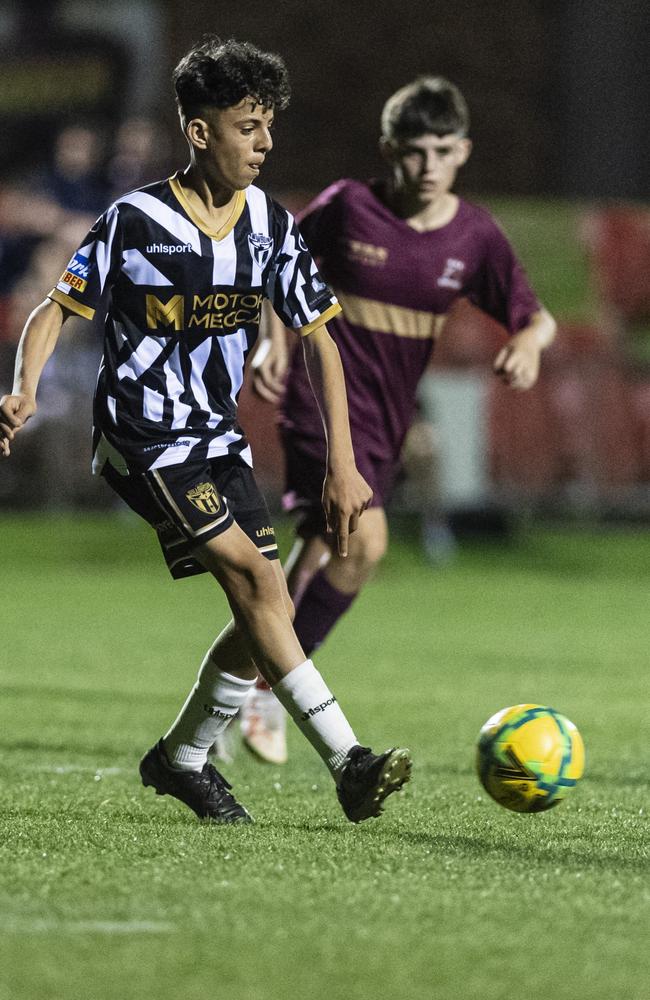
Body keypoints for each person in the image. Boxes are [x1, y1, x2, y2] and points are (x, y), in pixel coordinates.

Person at [0, 37, 413, 824]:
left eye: (269, 127)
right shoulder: (136, 220)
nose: (265, 143)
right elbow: (58, 307)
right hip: (142, 435)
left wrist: (343, 465)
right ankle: (350, 761)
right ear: (200, 132)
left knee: (268, 611)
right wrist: (23, 388)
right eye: (249, 126)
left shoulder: (268, 223)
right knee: (260, 584)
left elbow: (322, 337)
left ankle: (181, 759)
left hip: (215, 437)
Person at [238, 75, 557, 765]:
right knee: (366, 541)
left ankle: (251, 682)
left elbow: (536, 316)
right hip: (319, 403)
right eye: (415, 151)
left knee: (327, 551)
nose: (430, 165)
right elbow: (276, 263)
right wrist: (272, 339)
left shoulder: (474, 236)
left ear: (464, 151)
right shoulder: (349, 207)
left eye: (444, 150)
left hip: (385, 421)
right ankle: (269, 687)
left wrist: (527, 344)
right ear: (390, 149)